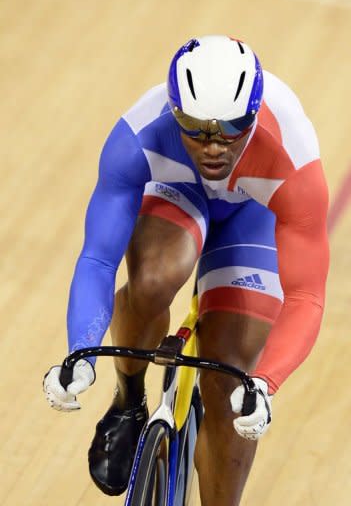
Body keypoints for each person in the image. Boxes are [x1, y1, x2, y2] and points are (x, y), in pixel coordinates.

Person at [43, 35, 329, 505]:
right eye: (195, 129)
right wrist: (82, 356)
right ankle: (129, 399)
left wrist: (265, 382)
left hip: (255, 214)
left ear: (254, 114)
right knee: (154, 278)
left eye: (231, 129)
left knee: (230, 384)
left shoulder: (293, 161)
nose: (213, 146)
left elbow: (306, 298)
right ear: (174, 112)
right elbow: (97, 260)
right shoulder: (137, 138)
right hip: (181, 192)